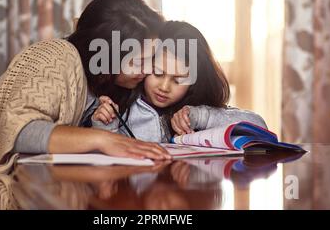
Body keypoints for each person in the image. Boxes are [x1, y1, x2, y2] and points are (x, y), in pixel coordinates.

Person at [0, 0, 171, 210]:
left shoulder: (99, 86)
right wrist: (102, 139)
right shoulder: (55, 54)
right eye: (138, 61)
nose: (146, 70)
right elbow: (20, 132)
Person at [90, 21, 267, 142]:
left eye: (179, 80)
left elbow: (260, 126)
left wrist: (200, 117)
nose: (164, 87)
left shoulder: (195, 109)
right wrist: (105, 126)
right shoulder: (123, 105)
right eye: (157, 73)